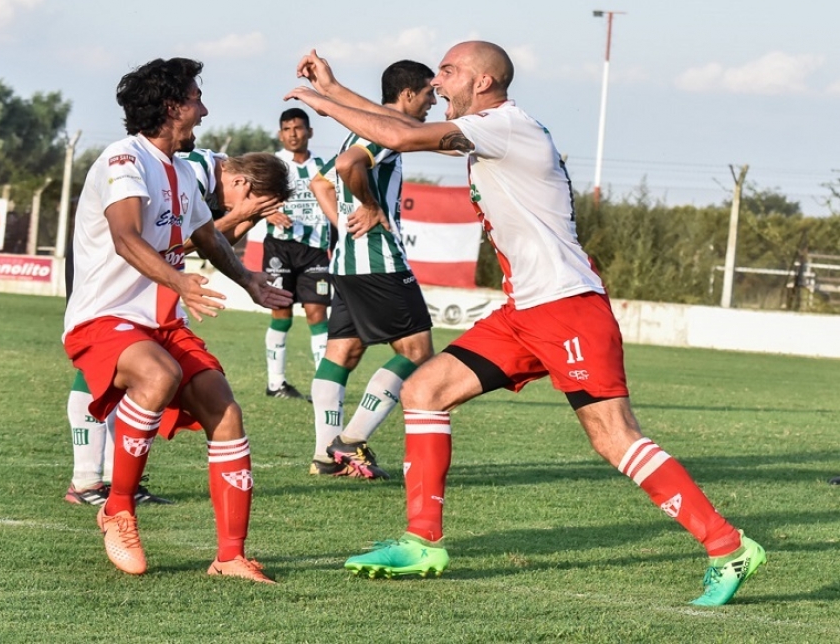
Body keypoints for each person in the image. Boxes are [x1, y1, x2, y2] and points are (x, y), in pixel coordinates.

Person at [286, 42, 766, 606]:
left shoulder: (504, 125)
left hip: (567, 308)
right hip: (524, 312)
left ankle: (726, 545)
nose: (436, 83)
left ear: (484, 81)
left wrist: (321, 100)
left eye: (448, 72)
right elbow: (397, 122)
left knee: (614, 436)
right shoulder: (486, 127)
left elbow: (399, 136)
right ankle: (422, 542)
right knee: (424, 388)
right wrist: (335, 90)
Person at [64, 57, 292, 580]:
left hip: (158, 322)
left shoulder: (180, 169)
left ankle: (230, 556)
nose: (204, 108)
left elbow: (208, 237)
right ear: (172, 107)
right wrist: (181, 281)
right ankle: (117, 508)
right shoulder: (124, 160)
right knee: (158, 374)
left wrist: (250, 281)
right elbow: (126, 238)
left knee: (225, 411)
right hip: (104, 316)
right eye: (195, 98)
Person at [64, 148, 289, 507]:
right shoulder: (195, 171)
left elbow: (208, 245)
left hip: (142, 285)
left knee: (145, 374)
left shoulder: (218, 186)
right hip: (107, 272)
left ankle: (113, 480)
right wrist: (239, 217)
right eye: (254, 204)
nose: (237, 210)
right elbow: (172, 243)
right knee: (99, 368)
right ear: (241, 182)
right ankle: (88, 480)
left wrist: (246, 231)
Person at [305, 61, 437, 479]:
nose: (434, 101)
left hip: (348, 262)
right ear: (409, 94)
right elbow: (346, 166)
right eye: (430, 93)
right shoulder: (384, 133)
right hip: (378, 263)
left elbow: (319, 183)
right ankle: (349, 441)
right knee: (417, 354)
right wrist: (370, 207)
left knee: (342, 353)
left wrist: (342, 226)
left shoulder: (363, 126)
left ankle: (326, 456)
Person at [258, 108, 331, 401]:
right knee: (282, 315)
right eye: (287, 129)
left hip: (314, 250)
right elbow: (247, 196)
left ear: (309, 132)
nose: (293, 133)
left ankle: (323, 386)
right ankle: (276, 384)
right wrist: (268, 211)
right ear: (280, 134)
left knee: (317, 315)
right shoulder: (272, 165)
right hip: (279, 248)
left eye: (298, 128)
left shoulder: (324, 167)